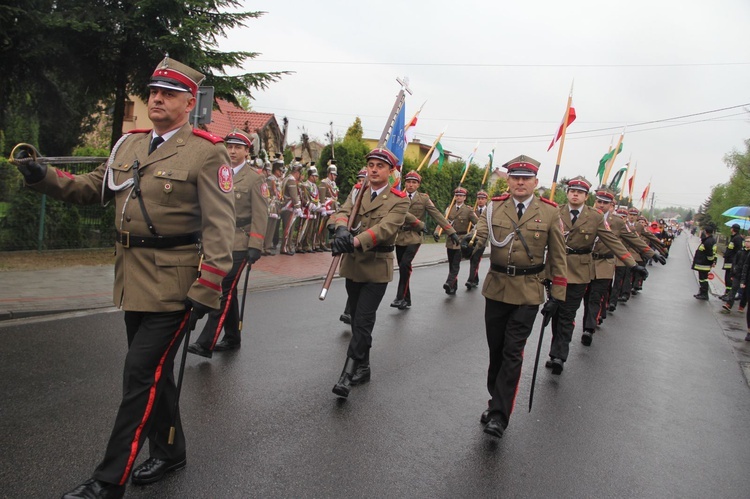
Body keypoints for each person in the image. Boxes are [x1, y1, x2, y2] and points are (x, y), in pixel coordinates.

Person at [12, 57, 235, 499]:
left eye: (168, 94)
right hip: (131, 279)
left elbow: (220, 228)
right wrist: (43, 176)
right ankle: (170, 451)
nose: (156, 99)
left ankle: (109, 480)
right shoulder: (128, 145)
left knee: (139, 375)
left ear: (189, 103)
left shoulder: (207, 152)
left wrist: (206, 288)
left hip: (176, 286)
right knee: (154, 374)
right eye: (153, 92)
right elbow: (91, 189)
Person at [467, 155, 567, 438]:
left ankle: (500, 414)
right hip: (496, 286)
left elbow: (559, 257)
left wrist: (557, 295)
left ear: (536, 182)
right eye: (515, 177)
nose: (520, 182)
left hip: (528, 290)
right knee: (496, 350)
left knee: (513, 351)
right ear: (508, 180)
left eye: (526, 178)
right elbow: (481, 233)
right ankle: (494, 399)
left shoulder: (549, 212)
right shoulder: (494, 207)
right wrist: (470, 244)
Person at [329, 147, 409, 399]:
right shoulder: (357, 191)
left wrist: (352, 241)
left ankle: (347, 374)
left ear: (390, 171)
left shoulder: (400, 199)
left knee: (363, 319)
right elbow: (341, 212)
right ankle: (364, 366)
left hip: (376, 266)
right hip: (353, 265)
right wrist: (341, 230)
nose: (374, 169)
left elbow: (386, 229)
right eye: (371, 164)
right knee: (357, 320)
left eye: (380, 166)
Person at [546, 177, 645, 374]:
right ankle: (554, 350)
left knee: (568, 313)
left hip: (580, 270)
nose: (575, 194)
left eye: (580, 192)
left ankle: (559, 355)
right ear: (567, 193)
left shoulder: (595, 217)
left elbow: (612, 240)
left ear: (585, 196)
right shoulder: (554, 212)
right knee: (555, 313)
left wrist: (632, 263)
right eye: (572, 190)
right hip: (556, 269)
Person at [188, 130, 269, 357]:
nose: (232, 151)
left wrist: (256, 245)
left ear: (247, 151)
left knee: (223, 291)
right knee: (228, 291)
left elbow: (260, 214)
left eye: (238, 148)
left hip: (239, 241)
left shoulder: (255, 178)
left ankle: (206, 342)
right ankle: (232, 337)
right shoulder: (217, 173)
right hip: (215, 241)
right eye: (229, 147)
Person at [391, 170, 456, 309]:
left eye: (414, 182)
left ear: (418, 185)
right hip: (400, 237)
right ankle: (407, 299)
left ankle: (399, 297)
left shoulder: (423, 199)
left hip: (414, 236)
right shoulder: (398, 196)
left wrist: (451, 232)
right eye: (408, 182)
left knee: (404, 265)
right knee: (404, 267)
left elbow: (437, 215)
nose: (410, 185)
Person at [440, 187, 476, 295]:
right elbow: (443, 221)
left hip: (461, 239)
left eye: (461, 195)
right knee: (451, 263)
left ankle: (449, 282)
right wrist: (438, 232)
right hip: (451, 240)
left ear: (464, 197)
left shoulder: (468, 210)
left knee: (456, 263)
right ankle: (453, 287)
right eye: (457, 195)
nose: (458, 197)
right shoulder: (449, 208)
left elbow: (478, 224)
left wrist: (470, 236)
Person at [280, 158, 303, 255]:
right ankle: (284, 247)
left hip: (287, 207)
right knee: (288, 228)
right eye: (300, 172)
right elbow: (294, 196)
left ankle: (288, 246)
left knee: (289, 228)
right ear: (297, 172)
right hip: (289, 207)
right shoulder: (291, 181)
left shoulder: (287, 178)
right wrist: (298, 207)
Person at [466, 190, 489, 289]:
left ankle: (470, 280)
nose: (480, 201)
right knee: (473, 259)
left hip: (483, 239)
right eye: (479, 199)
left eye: (482, 199)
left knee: (476, 259)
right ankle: (475, 279)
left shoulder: (489, 211)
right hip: (472, 238)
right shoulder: (472, 211)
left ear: (486, 200)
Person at [723, 235, 750, 312]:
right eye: (746, 241)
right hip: (738, 274)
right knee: (733, 288)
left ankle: (742, 306)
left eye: (749, 242)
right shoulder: (740, 252)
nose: (747, 243)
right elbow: (734, 263)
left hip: (747, 276)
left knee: (745, 292)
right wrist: (732, 273)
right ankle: (728, 304)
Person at [317, 161, 340, 251]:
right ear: (330, 174)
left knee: (327, 227)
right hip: (326, 208)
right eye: (334, 174)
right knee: (321, 226)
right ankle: (318, 243)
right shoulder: (324, 183)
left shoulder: (333, 184)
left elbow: (335, 196)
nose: (335, 176)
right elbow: (322, 196)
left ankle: (323, 242)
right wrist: (323, 206)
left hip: (332, 208)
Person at [263, 157, 284, 256]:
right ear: (276, 170)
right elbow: (266, 193)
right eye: (280, 170)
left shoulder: (278, 180)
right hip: (269, 206)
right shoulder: (270, 179)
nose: (281, 172)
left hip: (275, 206)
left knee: (272, 228)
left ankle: (267, 246)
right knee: (267, 227)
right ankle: (263, 247)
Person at [692, 224, 717, 300]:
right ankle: (702, 293)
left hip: (704, 264)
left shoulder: (708, 242)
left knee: (703, 279)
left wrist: (711, 262)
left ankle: (704, 294)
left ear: (705, 232)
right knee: (702, 279)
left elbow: (709, 253)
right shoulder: (710, 240)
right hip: (703, 263)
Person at [721, 224, 744, 300]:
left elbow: (738, 251)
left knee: (729, 279)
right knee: (727, 278)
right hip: (728, 261)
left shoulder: (737, 239)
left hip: (732, 262)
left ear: (733, 229)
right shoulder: (734, 238)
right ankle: (727, 293)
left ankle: (729, 295)